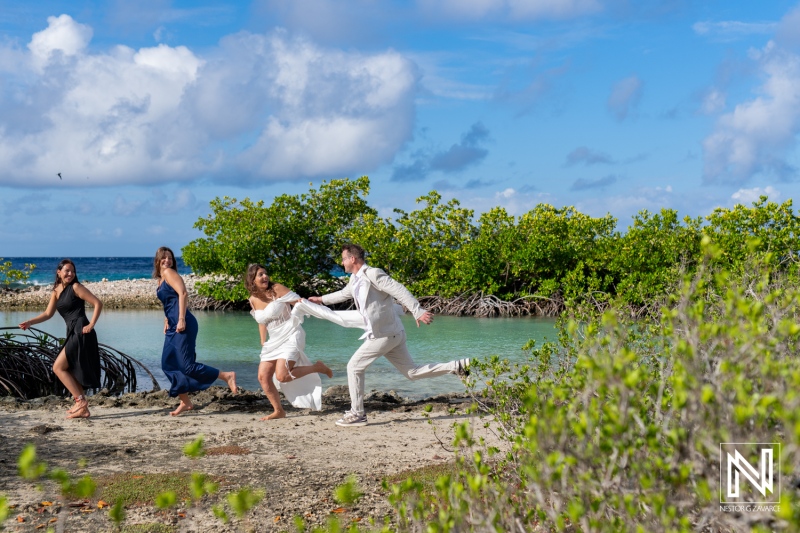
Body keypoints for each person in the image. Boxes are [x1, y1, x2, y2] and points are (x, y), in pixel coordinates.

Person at [308, 244, 470, 427]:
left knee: (354, 366)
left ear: (352, 259)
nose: (342, 262)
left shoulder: (373, 274)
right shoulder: (355, 279)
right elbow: (344, 294)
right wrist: (320, 300)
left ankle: (357, 413)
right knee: (412, 372)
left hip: (384, 335)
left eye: (344, 258)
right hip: (392, 333)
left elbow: (399, 289)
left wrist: (417, 311)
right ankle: (457, 366)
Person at [154, 247, 237, 416]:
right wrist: (166, 320)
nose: (167, 261)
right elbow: (169, 303)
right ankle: (185, 402)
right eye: (164, 258)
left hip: (183, 323)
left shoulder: (169, 273)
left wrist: (181, 319)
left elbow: (183, 294)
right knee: (168, 364)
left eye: (170, 258)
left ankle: (226, 375)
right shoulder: (160, 280)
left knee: (187, 366)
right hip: (172, 325)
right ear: (157, 260)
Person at [245, 264, 335, 419]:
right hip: (274, 340)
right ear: (252, 280)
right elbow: (262, 321)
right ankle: (279, 411)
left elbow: (299, 302)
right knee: (263, 377)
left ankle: (317, 367)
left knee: (282, 375)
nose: (265, 277)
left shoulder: (277, 289)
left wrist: (319, 308)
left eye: (265, 273)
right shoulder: (252, 299)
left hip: (291, 333)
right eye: (260, 275)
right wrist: (262, 340)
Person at [19, 259, 103, 419]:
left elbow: (97, 303)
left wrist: (91, 324)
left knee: (58, 367)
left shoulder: (76, 287)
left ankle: (80, 402)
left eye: (73, 271)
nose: (70, 274)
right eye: (67, 271)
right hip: (72, 331)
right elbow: (48, 314)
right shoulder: (56, 291)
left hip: (81, 331)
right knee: (69, 368)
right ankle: (82, 406)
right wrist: (30, 322)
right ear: (59, 272)